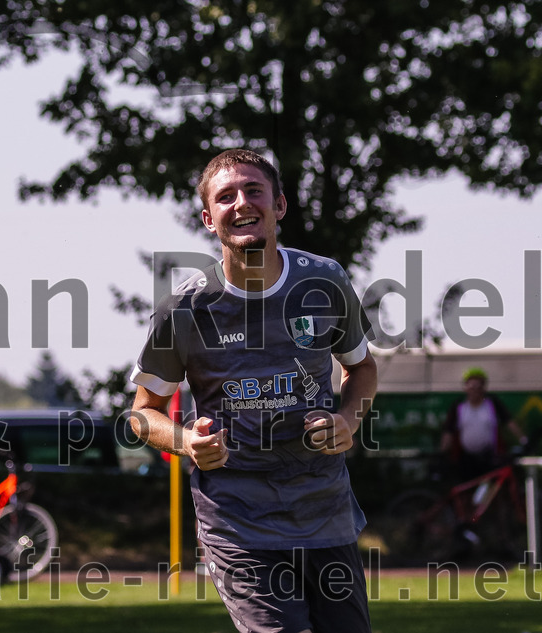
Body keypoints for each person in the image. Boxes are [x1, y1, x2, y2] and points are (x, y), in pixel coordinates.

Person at [130, 149, 378, 633]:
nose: (241, 203)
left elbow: (362, 370)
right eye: (226, 196)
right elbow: (142, 413)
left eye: (253, 191)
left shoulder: (323, 282)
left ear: (279, 205)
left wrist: (349, 420)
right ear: (208, 218)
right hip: (238, 521)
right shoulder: (185, 309)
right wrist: (186, 443)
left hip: (323, 510)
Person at [440, 367, 525, 481]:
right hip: (466, 458)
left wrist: (523, 439)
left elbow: (508, 421)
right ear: (466, 388)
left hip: (489, 456)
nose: (475, 390)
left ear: (483, 388)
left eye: (478, 387)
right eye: (471, 387)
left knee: (490, 487)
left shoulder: (492, 403)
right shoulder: (459, 406)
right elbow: (449, 430)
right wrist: (443, 451)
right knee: (466, 487)